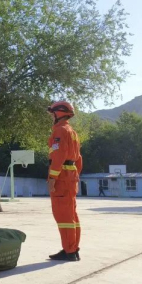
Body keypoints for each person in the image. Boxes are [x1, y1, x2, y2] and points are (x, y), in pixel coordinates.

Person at [47, 101, 83, 262]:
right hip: (71, 176)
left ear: (59, 113)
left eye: (53, 113)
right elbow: (79, 159)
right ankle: (73, 248)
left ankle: (69, 251)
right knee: (71, 214)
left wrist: (53, 177)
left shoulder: (60, 131)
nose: (52, 116)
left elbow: (58, 156)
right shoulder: (72, 132)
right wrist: (74, 176)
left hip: (62, 177)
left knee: (63, 215)